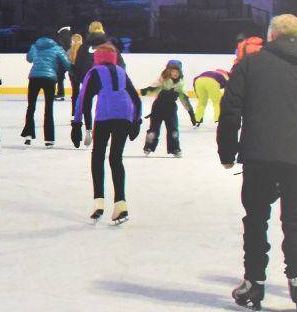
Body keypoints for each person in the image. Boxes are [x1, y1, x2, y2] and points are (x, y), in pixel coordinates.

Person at [221, 14, 297, 312]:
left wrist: (227, 152)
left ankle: (254, 282)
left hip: (259, 156)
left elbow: (230, 109)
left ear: (272, 36)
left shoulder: (249, 65)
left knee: (256, 219)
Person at [73, 44, 142, 223]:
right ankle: (121, 204)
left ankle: (99, 203)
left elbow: (83, 98)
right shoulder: (121, 71)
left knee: (98, 156)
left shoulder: (94, 72)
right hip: (125, 115)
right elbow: (135, 97)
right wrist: (137, 121)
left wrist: (77, 123)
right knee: (116, 158)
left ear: (97, 58)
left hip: (105, 115)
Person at [140, 61, 199, 157]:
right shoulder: (162, 80)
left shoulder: (180, 84)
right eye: (173, 71)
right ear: (168, 71)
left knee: (173, 130)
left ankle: (175, 148)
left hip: (171, 109)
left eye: (177, 71)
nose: (175, 73)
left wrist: (191, 113)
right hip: (158, 108)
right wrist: (145, 91)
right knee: (153, 130)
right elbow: (153, 88)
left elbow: (184, 99)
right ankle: (148, 146)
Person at [22, 31, 69, 146]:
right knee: (48, 108)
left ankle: (28, 134)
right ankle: (49, 139)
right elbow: (67, 63)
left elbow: (29, 59)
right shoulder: (57, 48)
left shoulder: (35, 46)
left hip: (34, 77)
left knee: (31, 107)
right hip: (50, 78)